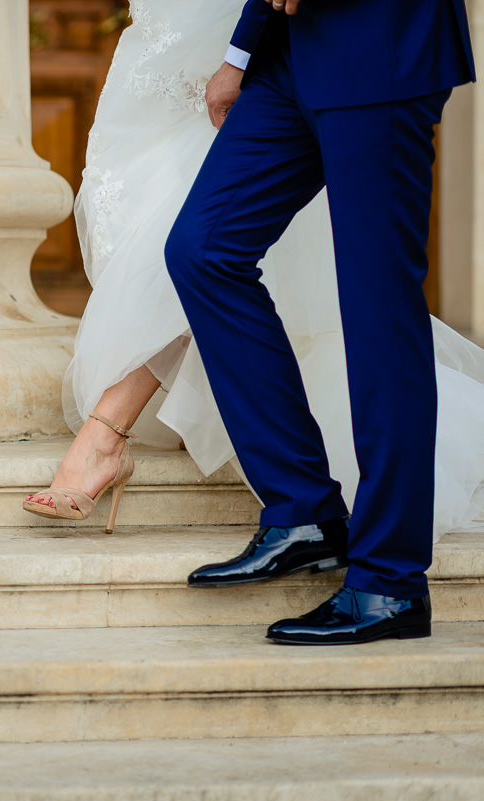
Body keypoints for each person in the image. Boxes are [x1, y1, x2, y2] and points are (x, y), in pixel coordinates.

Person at [24, 0, 484, 645]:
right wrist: (242, 51)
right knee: (203, 252)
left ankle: (390, 582)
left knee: (378, 313)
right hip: (287, 52)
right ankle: (304, 512)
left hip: (378, 40)